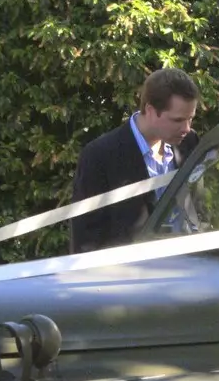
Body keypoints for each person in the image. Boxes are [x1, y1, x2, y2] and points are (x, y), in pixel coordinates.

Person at [69, 68, 200, 252]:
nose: (186, 128)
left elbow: (198, 204)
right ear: (150, 110)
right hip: (130, 273)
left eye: (191, 119)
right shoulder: (100, 155)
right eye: (177, 120)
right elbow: (86, 237)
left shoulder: (189, 142)